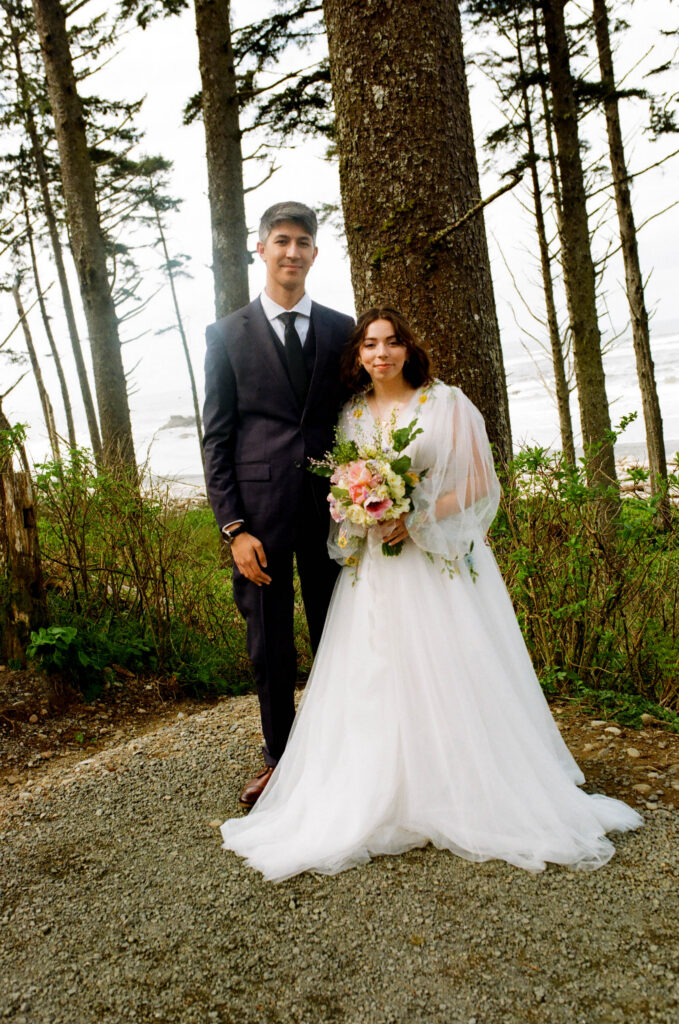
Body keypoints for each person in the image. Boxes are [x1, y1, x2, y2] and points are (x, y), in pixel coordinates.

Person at [219, 307, 643, 881]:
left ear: (407, 348)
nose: (381, 354)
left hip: (432, 561)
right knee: (376, 673)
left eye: (392, 342)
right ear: (358, 355)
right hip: (376, 571)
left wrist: (413, 515)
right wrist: (358, 508)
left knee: (448, 667)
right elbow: (344, 485)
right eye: (370, 344)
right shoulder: (351, 414)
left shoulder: (446, 403)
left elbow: (477, 482)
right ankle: (383, 786)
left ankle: (462, 784)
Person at [202, 201, 354, 808]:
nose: (293, 252)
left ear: (316, 253)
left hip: (335, 513)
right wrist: (234, 527)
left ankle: (339, 752)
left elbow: (364, 410)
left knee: (336, 636)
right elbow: (217, 435)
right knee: (270, 644)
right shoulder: (226, 333)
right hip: (259, 518)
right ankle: (279, 760)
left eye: (304, 243)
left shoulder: (343, 329)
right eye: (282, 241)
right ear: (260, 249)